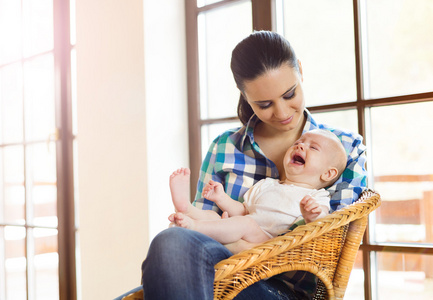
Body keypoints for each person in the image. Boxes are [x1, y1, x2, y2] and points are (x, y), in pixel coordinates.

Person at [117, 31, 367, 300]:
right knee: (169, 242)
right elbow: (195, 238)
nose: (282, 113)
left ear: (301, 72)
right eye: (264, 104)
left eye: (289, 94)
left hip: (286, 291)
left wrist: (246, 244)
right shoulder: (225, 147)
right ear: (245, 96)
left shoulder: (345, 148)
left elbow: (333, 242)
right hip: (220, 278)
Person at [169, 129, 347, 245]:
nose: (300, 145)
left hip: (269, 243)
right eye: (297, 143)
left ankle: (194, 228)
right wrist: (221, 198)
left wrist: (313, 215)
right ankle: (186, 208)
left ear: (328, 174)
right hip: (246, 231)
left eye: (313, 147)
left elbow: (322, 223)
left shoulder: (316, 196)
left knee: (244, 224)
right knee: (214, 215)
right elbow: (242, 211)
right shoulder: (267, 185)